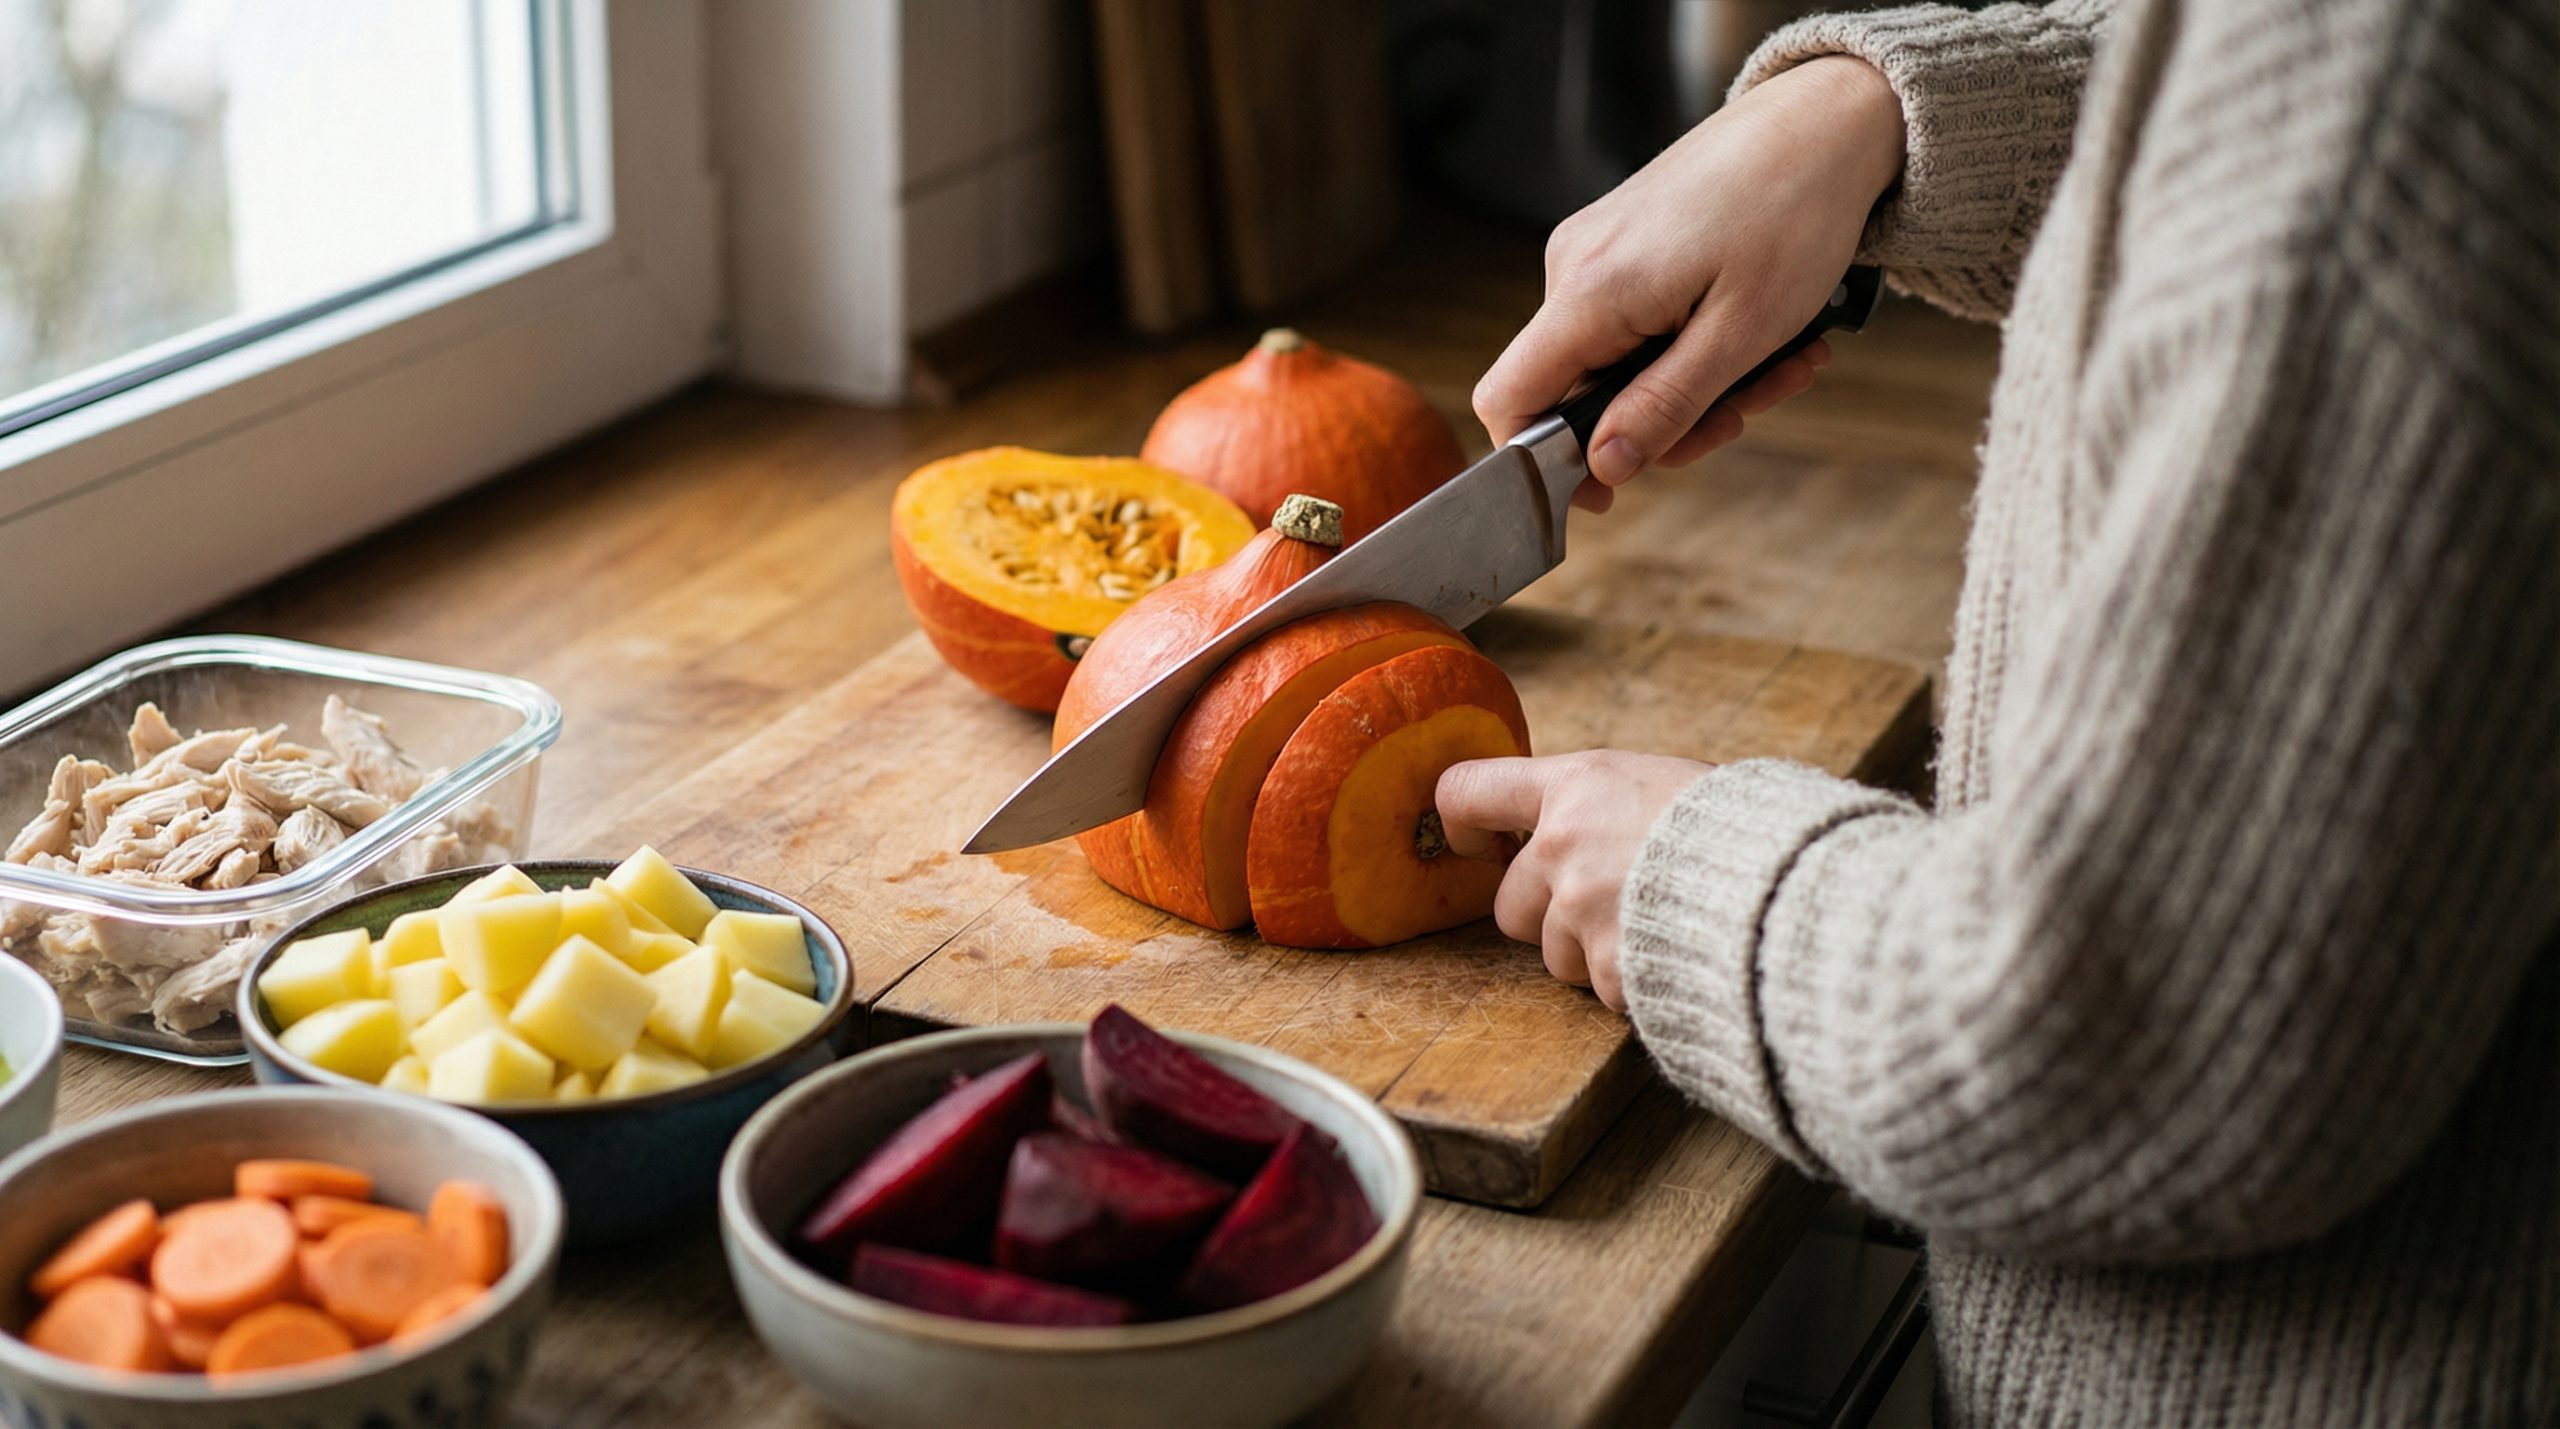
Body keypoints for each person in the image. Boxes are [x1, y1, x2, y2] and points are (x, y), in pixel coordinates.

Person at [1434, 1, 2557, 1423]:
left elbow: (2126, 1039)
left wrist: (1689, 877)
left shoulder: (2411, 83)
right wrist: (1880, 125)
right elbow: (2256, 117)